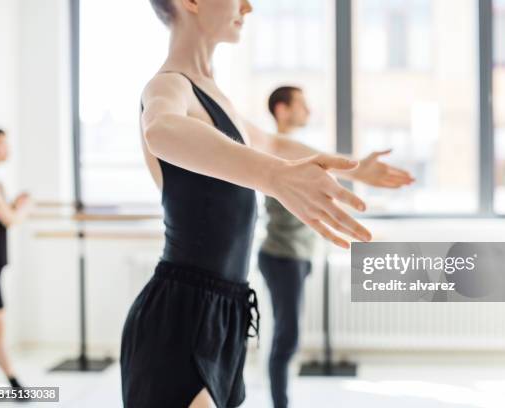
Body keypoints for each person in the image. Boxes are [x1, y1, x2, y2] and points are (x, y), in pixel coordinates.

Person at [120, 1, 376, 407]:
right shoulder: (168, 85)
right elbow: (161, 128)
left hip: (226, 313)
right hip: (178, 316)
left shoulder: (214, 95)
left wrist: (356, 168)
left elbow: (272, 143)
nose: (248, 6)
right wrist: (272, 176)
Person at [258, 87, 414, 408]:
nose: (309, 111)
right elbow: (311, 164)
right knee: (287, 339)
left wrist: (357, 174)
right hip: (282, 257)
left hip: (296, 256)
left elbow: (318, 173)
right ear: (282, 109)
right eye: (302, 105)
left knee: (288, 338)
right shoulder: (275, 149)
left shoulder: (291, 150)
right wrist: (357, 170)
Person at [0, 128, 32, 395]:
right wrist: (24, 208)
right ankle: (15, 384)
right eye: (2, 144)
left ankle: (13, 383)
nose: (8, 149)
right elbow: (9, 219)